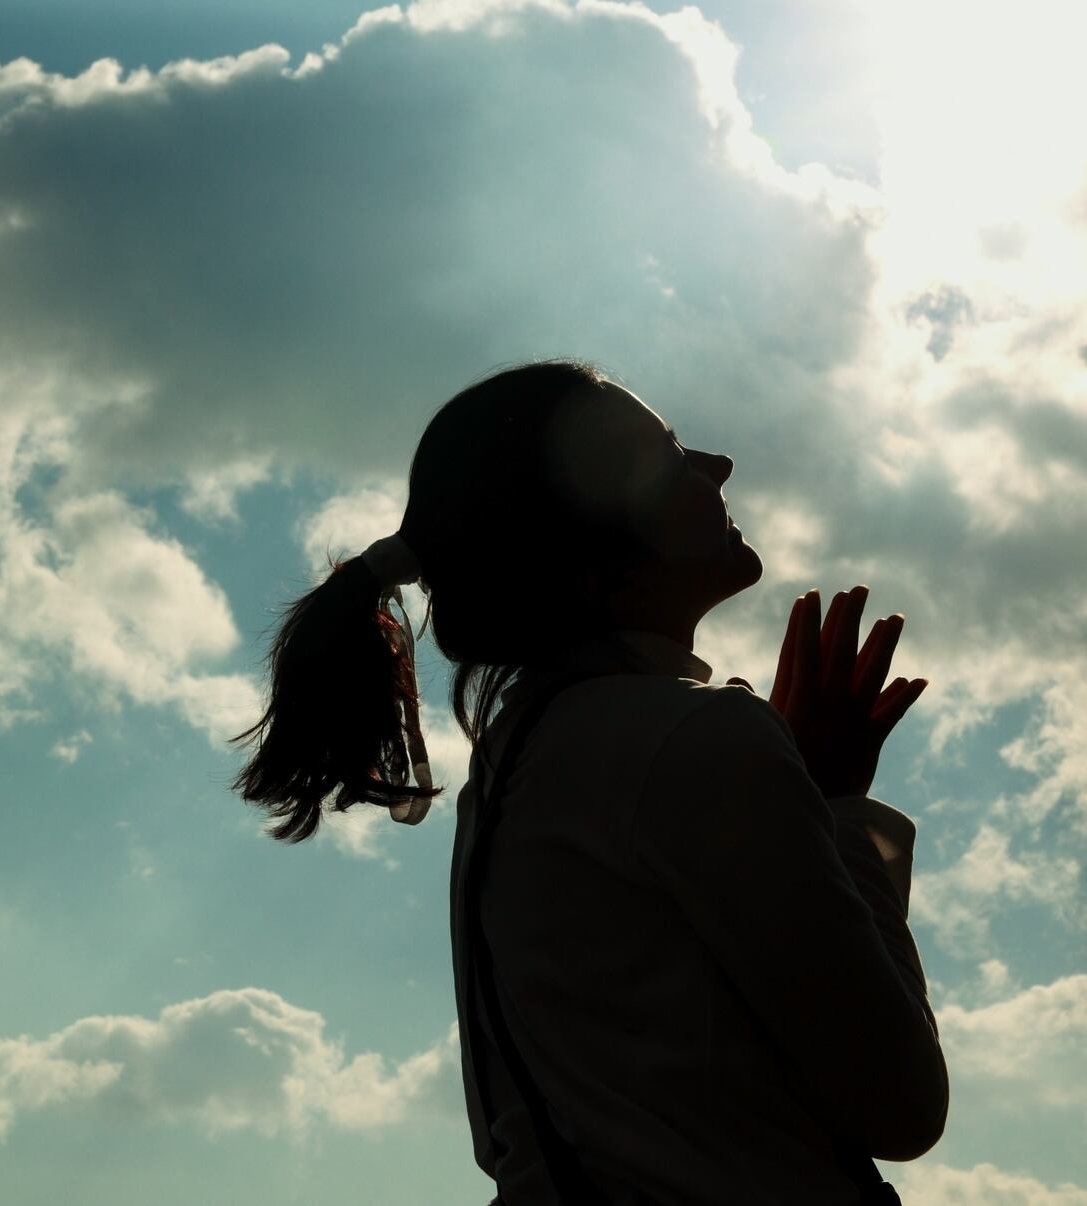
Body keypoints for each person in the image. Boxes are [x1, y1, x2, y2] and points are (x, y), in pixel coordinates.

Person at [231, 358, 946, 1203]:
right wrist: (832, 803)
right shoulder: (699, 738)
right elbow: (900, 1106)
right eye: (669, 455)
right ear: (593, 553)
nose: (714, 468)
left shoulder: (507, 771)